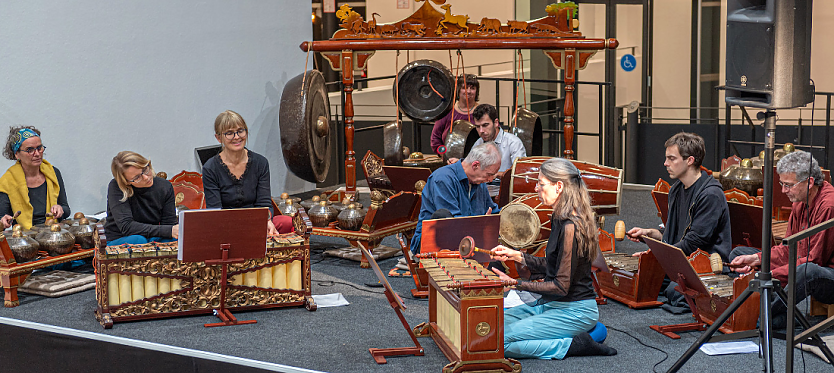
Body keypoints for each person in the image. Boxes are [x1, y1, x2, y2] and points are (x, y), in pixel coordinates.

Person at [489, 158, 616, 359]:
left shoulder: (571, 227)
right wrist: (518, 256)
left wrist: (515, 284)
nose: (536, 187)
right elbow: (556, 265)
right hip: (554, 304)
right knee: (488, 327)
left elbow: (561, 286)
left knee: (497, 344)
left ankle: (570, 345)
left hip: (576, 311)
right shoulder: (560, 217)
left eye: (541, 183)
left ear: (559, 187)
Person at [625, 132, 731, 308]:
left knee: (672, 292)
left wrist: (656, 257)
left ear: (690, 160)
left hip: (705, 265)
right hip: (682, 262)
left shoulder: (710, 194)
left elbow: (693, 244)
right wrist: (650, 234)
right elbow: (674, 236)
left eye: (671, 158)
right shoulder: (676, 189)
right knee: (641, 279)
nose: (665, 163)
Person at [730, 150, 834, 327]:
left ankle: (765, 312)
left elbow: (814, 260)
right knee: (738, 254)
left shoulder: (828, 206)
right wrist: (756, 259)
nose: (783, 190)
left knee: (806, 271)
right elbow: (788, 249)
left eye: (788, 185)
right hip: (802, 264)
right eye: (782, 183)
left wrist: (766, 274)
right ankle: (774, 313)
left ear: (809, 182)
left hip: (824, 275)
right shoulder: (799, 201)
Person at [202, 110, 293, 236]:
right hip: (226, 226)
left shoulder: (260, 163)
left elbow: (264, 204)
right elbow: (215, 211)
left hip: (257, 221)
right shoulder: (210, 168)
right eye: (229, 133)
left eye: (240, 131)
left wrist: (265, 220)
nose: (237, 137)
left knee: (286, 222)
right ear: (218, 138)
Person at [408, 142, 502, 255]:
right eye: (489, 174)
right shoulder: (443, 179)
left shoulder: (479, 182)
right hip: (434, 243)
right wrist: (480, 226)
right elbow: (453, 224)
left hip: (468, 241)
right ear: (475, 165)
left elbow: (494, 212)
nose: (491, 179)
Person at [0, 126, 71, 230]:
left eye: (39, 148)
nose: (37, 154)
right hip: (24, 238)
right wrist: (3, 220)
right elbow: (2, 217)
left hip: (52, 233)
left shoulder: (53, 173)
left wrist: (61, 209)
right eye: (30, 150)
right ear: (17, 154)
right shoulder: (7, 181)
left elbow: (66, 208)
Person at [104, 151, 178, 246]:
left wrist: (172, 232)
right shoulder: (116, 187)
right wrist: (167, 231)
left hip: (152, 236)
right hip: (121, 238)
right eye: (137, 177)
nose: (146, 177)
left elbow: (168, 225)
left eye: (145, 169)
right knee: (138, 240)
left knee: (174, 241)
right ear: (126, 182)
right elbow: (127, 226)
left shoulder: (164, 186)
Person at [447, 103, 527, 172]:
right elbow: (470, 166)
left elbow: (519, 172)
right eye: (478, 126)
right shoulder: (479, 143)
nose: (481, 130)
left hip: (504, 188)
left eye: (485, 125)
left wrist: (494, 175)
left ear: (496, 123)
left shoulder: (513, 142)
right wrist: (460, 164)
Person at [430, 74, 479, 158]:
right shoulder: (447, 111)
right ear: (458, 90)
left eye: (472, 88)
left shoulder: (482, 112)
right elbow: (435, 139)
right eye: (464, 88)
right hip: (450, 162)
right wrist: (444, 154)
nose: (468, 91)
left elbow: (492, 136)